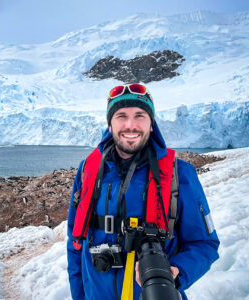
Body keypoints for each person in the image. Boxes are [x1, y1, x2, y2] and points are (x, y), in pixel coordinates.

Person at [67, 83, 220, 300]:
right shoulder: (87, 171)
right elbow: (74, 242)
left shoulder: (180, 174)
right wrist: (79, 296)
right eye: (121, 116)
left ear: (151, 124)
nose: (131, 125)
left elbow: (205, 244)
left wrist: (176, 273)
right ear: (110, 124)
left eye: (140, 115)